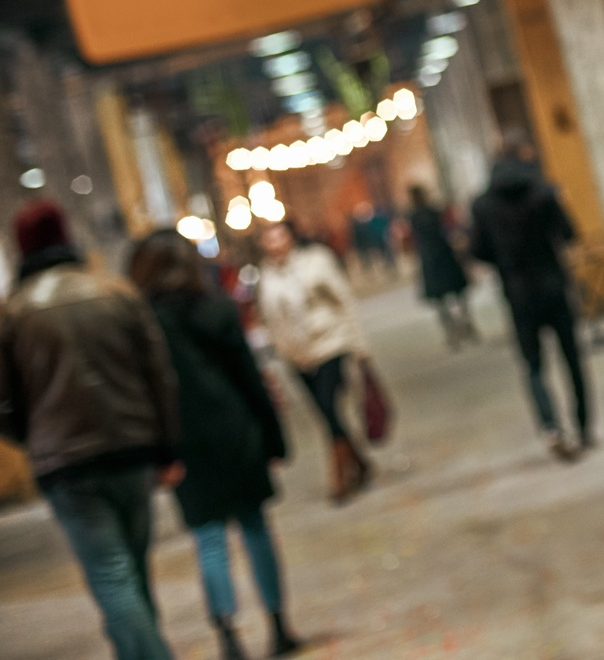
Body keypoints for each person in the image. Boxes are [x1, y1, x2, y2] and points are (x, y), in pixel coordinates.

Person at [0, 201, 179, 660]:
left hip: (66, 461)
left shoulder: (15, 313)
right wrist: (166, 444)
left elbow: (4, 399)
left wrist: (30, 436)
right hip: (131, 447)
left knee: (112, 575)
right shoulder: (115, 292)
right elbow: (159, 374)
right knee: (132, 572)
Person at [128, 231, 303, 660]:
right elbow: (249, 379)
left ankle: (227, 634)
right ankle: (278, 625)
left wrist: (159, 455)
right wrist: (273, 437)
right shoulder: (216, 309)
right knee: (256, 528)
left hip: (184, 442)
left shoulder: (143, 325)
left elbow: (145, 396)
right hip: (235, 431)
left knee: (209, 540)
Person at [470, 139, 589, 459]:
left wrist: (504, 259)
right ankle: (583, 427)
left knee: (533, 365)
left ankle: (551, 426)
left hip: (518, 293)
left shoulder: (483, 204)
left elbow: (478, 251)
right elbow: (567, 233)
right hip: (553, 285)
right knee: (572, 358)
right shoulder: (544, 192)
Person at [254, 222, 372, 502]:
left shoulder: (315, 261)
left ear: (291, 238)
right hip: (296, 354)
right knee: (324, 413)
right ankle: (360, 462)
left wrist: (359, 346)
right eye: (269, 239)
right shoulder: (265, 275)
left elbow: (343, 300)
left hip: (330, 343)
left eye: (279, 237)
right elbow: (268, 316)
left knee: (329, 407)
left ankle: (339, 476)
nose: (275, 244)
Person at [404, 186, 474, 348]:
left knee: (440, 299)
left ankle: (451, 330)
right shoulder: (434, 211)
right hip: (444, 253)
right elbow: (448, 230)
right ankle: (466, 321)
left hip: (429, 258)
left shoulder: (412, 216)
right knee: (459, 292)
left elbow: (412, 240)